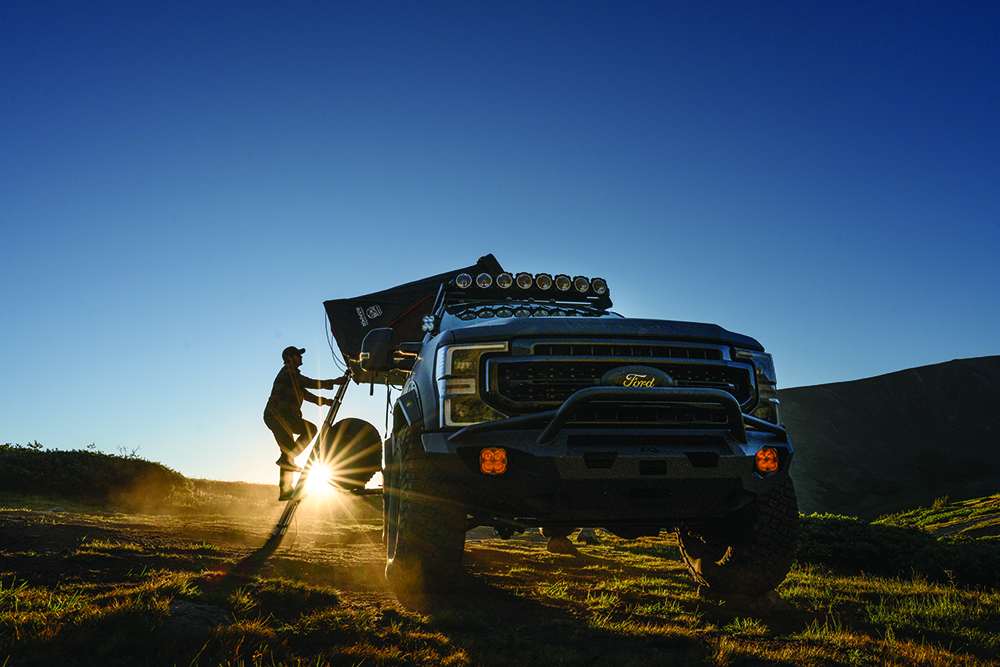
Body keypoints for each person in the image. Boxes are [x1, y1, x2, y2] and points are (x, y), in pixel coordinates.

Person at [263, 346, 348, 499]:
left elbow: (306, 394)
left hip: (288, 418)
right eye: (298, 355)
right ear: (290, 358)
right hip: (277, 416)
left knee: (301, 439)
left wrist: (324, 401)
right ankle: (286, 485)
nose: (301, 358)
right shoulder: (288, 372)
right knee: (288, 452)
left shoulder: (294, 377)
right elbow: (309, 383)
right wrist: (334, 382)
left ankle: (285, 488)